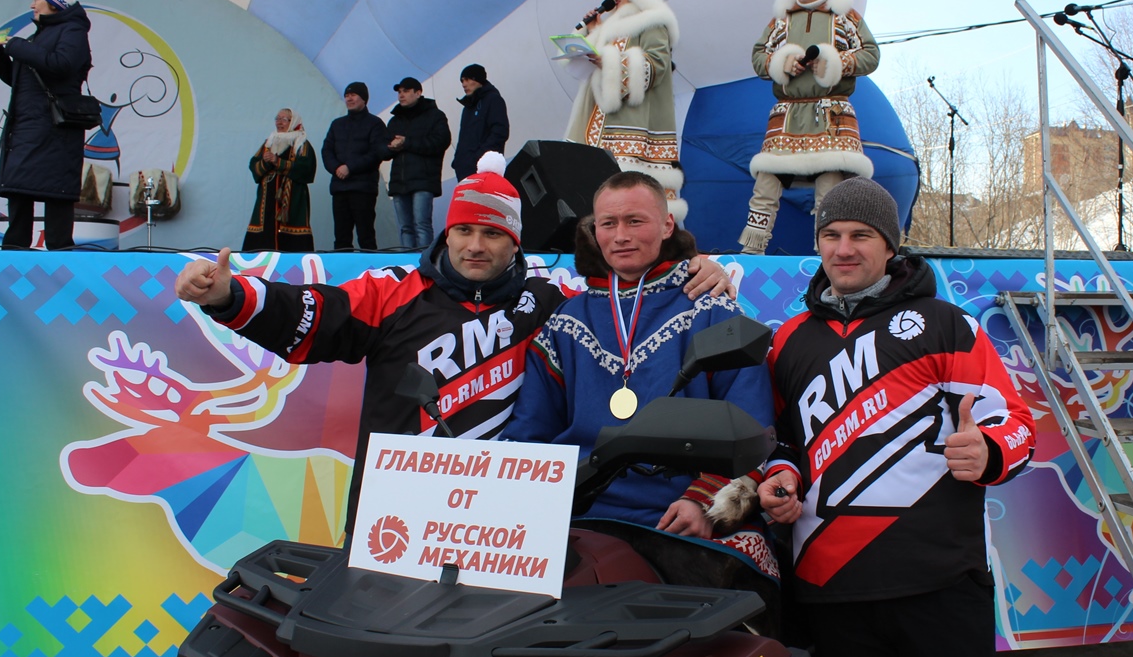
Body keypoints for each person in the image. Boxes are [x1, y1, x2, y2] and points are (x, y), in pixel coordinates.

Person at [174, 155, 733, 539]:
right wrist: (228, 294)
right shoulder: (390, 290)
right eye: (463, 230)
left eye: (493, 233)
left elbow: (630, 293)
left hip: (503, 514)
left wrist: (695, 265)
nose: (475, 245)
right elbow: (312, 316)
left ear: (514, 242)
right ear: (446, 234)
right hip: (396, 503)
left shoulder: (551, 298)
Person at [755, 177, 1036, 657]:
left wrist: (988, 453)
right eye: (831, 234)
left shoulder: (943, 324)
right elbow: (781, 442)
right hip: (832, 595)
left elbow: (1015, 426)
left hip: (937, 585)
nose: (843, 248)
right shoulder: (788, 340)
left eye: (860, 235)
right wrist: (778, 475)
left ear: (890, 245)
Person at [503, 171, 781, 578]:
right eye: (608, 224)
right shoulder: (565, 320)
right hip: (581, 517)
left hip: (681, 518)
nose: (620, 236)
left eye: (636, 221)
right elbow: (532, 431)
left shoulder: (710, 308)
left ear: (667, 225)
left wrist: (705, 504)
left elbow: (751, 421)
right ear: (593, 229)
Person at [737, 0, 881, 254]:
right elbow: (758, 56)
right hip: (787, 112)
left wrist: (835, 62)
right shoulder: (782, 18)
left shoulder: (845, 16)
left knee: (828, 190)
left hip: (830, 113)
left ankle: (824, 255)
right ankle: (752, 254)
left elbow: (871, 55)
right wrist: (782, 63)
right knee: (766, 185)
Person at [564, 0, 686, 222]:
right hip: (599, 125)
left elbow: (657, 66)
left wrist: (608, 61)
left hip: (631, 126)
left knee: (632, 196)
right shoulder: (613, 27)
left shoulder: (653, 20)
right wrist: (594, 31)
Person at [0, 0, 93, 250]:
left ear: (54, 2)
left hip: (55, 127)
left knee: (56, 191)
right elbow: (20, 80)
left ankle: (59, 249)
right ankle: (15, 247)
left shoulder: (73, 31)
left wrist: (18, 46)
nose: (31, 5)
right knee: (18, 187)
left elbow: (61, 64)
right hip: (28, 124)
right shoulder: (39, 34)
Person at [385, 77, 451, 251]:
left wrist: (407, 143)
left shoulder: (435, 116)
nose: (401, 95)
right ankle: (408, 266)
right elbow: (383, 149)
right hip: (400, 181)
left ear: (418, 92)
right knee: (405, 228)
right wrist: (390, 148)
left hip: (423, 180)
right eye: (399, 92)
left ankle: (425, 265)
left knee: (421, 225)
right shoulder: (395, 120)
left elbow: (440, 142)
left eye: (406, 91)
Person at [321, 81, 388, 251]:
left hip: (363, 188)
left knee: (366, 236)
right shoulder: (337, 124)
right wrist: (336, 168)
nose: (349, 98)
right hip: (340, 188)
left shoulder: (375, 123)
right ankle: (342, 273)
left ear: (364, 99)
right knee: (341, 237)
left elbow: (376, 153)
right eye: (346, 95)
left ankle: (373, 273)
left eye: (353, 95)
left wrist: (349, 167)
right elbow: (326, 150)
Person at [242, 108, 316, 252]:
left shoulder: (301, 143)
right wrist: (266, 162)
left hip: (291, 199)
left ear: (293, 122)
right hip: (267, 200)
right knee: (262, 242)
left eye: (284, 119)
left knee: (291, 244)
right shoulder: (269, 143)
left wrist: (279, 162)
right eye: (277, 118)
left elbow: (307, 169)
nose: (279, 122)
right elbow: (254, 165)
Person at [453, 64, 509, 181]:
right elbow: (463, 139)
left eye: (467, 80)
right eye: (462, 81)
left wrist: (480, 157)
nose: (464, 84)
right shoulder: (467, 108)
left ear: (478, 79)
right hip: (465, 171)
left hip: (485, 169)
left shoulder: (494, 100)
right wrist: (458, 162)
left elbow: (500, 131)